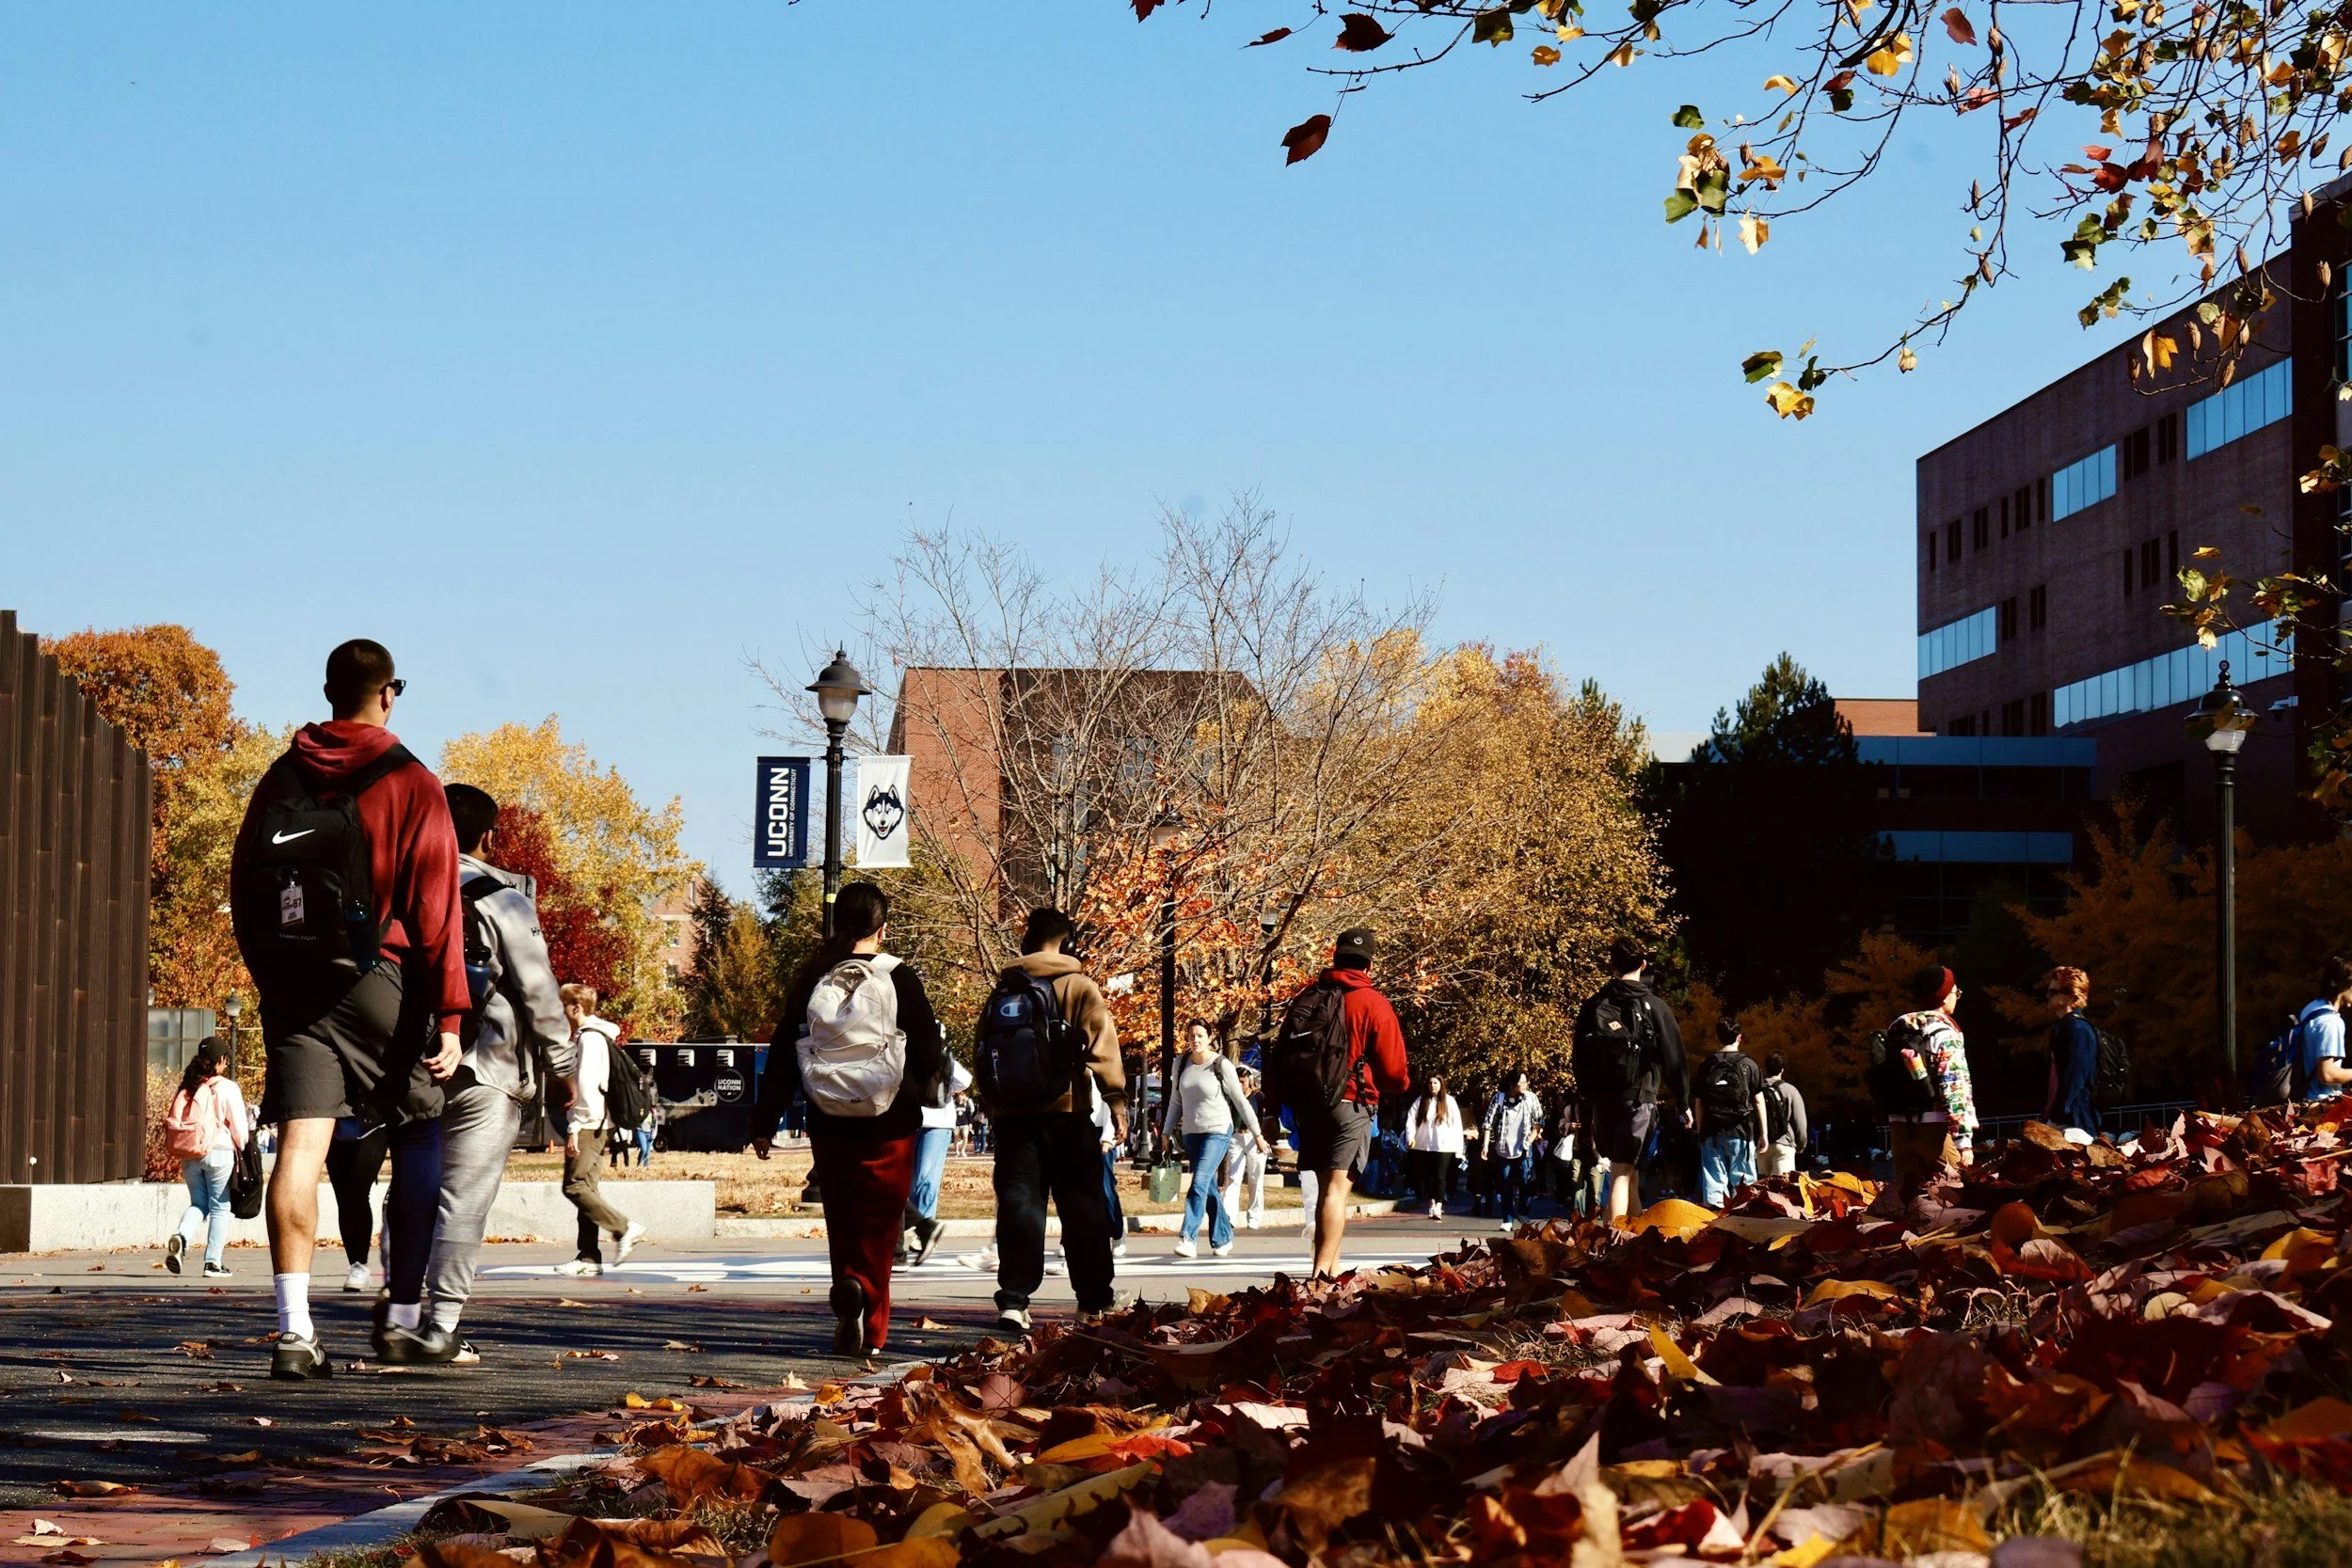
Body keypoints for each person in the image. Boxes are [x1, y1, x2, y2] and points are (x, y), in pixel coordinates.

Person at [230, 639, 468, 1381]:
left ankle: (294, 1331)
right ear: (388, 693)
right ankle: (402, 1316)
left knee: (301, 1145)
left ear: (328, 690)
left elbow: (244, 885)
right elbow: (438, 908)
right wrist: (452, 1016)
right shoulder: (413, 781)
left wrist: (272, 975)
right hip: (380, 976)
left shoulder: (282, 776)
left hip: (297, 983)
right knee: (421, 1126)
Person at [380, 784, 579, 1365]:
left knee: (410, 1193)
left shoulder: (396, 891)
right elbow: (539, 994)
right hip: (488, 1065)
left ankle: (401, 1314)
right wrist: (561, 1069)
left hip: (412, 1064)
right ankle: (441, 1323)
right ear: (487, 837)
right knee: (463, 1199)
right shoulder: (501, 899)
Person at [751, 881, 947, 1356]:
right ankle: (871, 1321)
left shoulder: (815, 976)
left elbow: (782, 1052)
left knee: (842, 1218)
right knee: (880, 1226)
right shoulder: (900, 977)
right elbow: (925, 1052)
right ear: (882, 929)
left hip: (828, 1116)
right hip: (889, 1118)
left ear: (838, 924)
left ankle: (846, 1293)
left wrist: (764, 1121)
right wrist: (929, 1086)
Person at [975, 908, 1127, 1333]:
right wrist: (1117, 1102)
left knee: (1019, 1204)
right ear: (1069, 943)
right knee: (1082, 1206)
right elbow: (1103, 1047)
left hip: (1013, 1119)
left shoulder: (1002, 991)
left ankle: (1013, 1299)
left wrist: (994, 1105)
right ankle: (1093, 1301)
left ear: (1027, 942)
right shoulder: (1078, 986)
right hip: (1067, 1113)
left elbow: (982, 1054)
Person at [1279, 928, 1410, 1279]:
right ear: (1369, 963)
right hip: (1351, 1101)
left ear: (1335, 957)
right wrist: (1397, 1088)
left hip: (1310, 1104)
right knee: (1337, 1192)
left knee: (1325, 1192)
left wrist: (1272, 1107)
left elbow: (1279, 1053)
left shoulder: (1308, 996)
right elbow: (1394, 1072)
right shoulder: (1373, 1003)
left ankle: (1332, 1273)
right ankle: (1320, 1278)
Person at [1571, 936, 1688, 1226]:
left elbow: (1579, 1056)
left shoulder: (1594, 1005)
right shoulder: (1655, 1007)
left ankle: (1634, 1234)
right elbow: (1674, 1058)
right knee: (1622, 1173)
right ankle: (1615, 1242)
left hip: (1603, 1100)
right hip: (1639, 1097)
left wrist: (1587, 1094)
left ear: (1611, 965)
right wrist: (1683, 1099)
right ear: (1643, 965)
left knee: (1629, 1172)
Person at [554, 985, 645, 1275]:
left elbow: (590, 1088)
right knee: (588, 1189)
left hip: (590, 1123)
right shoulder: (598, 1036)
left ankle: (624, 1228)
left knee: (574, 1186)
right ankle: (589, 1257)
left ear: (575, 1008)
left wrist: (575, 1125)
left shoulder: (590, 1040)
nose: (560, 1011)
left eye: (563, 1005)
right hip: (601, 1123)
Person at [1161, 1021, 1262, 1259]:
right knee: (1207, 1189)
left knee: (1200, 1181)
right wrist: (1165, 1132)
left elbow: (1239, 1100)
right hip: (1191, 1133)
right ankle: (1223, 1237)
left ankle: (1188, 1238)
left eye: (1200, 1035)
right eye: (1191, 1035)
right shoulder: (1181, 1063)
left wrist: (1257, 1133)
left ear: (1209, 1038)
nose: (1195, 1040)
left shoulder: (1221, 1064)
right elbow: (1176, 1102)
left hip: (1218, 1130)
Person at [1881, 966, 1978, 1200]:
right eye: (1956, 992)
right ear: (1944, 996)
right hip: (1935, 1130)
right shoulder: (1944, 1033)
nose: (1957, 996)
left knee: (1907, 1202)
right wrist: (1963, 1140)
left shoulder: (1897, 1032)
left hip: (1899, 1128)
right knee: (1960, 1200)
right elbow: (1954, 1086)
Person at [161, 1039, 247, 1278]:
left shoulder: (188, 1087)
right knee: (220, 1207)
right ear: (220, 1061)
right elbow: (240, 1128)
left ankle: (181, 1236)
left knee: (198, 1204)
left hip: (189, 1152)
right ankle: (212, 1263)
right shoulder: (227, 1087)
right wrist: (242, 1145)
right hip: (219, 1152)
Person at [899, 1054, 974, 1269]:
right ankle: (921, 1227)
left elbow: (964, 1079)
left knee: (926, 1176)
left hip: (938, 1123)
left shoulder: (941, 1059)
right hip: (911, 1120)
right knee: (908, 1179)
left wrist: (945, 1087)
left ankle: (924, 1229)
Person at [1692, 1020, 1767, 1208]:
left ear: (1718, 1037)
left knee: (1714, 1182)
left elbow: (1699, 1103)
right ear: (1739, 1038)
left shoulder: (1707, 1064)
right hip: (1741, 1130)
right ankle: (1748, 1223)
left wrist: (1700, 1131)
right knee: (1745, 1183)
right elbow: (1758, 1101)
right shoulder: (1749, 1064)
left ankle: (1715, 1226)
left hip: (1712, 1131)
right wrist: (1764, 1133)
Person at [325, 1124, 389, 1291]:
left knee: (357, 1191)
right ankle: (357, 1264)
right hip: (333, 1123)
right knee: (344, 1198)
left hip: (375, 1122)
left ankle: (364, 1265)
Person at [1480, 1070, 1546, 1232]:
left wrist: (1528, 1141)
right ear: (1512, 1084)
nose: (1525, 1085)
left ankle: (1523, 1212)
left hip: (1523, 1149)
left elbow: (1538, 1123)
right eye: (1521, 1083)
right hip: (1503, 1149)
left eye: (1526, 1082)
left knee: (1525, 1183)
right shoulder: (1499, 1098)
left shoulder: (1531, 1098)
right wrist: (1486, 1146)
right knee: (1505, 1184)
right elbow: (1488, 1123)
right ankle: (1507, 1219)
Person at [2040, 966, 2100, 1138]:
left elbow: (2076, 1078)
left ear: (2072, 997)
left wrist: (2056, 1117)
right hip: (2065, 1120)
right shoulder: (2064, 1027)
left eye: (2053, 992)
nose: (2047, 996)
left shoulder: (2079, 1030)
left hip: (2075, 1123)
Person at [1218, 1066, 1269, 1229]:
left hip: (1255, 1138)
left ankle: (1254, 1217)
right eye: (1237, 1081)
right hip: (1236, 1137)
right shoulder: (1232, 1097)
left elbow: (1264, 1117)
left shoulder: (1258, 1097)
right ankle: (1229, 1215)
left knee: (1256, 1179)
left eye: (1243, 1081)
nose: (1240, 1085)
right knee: (1234, 1177)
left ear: (1250, 1080)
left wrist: (1263, 1137)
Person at [2296, 956, 2352, 1102]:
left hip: (2304, 1099)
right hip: (2321, 1105)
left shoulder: (2311, 1009)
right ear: (2345, 985)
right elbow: (2327, 1074)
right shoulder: (2331, 1022)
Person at [1756, 1053, 1808, 1178]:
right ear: (1782, 1070)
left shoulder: (1757, 1090)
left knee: (1762, 1188)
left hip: (1761, 1144)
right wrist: (1800, 1146)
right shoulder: (1790, 1090)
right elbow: (1800, 1121)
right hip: (1784, 1143)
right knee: (1783, 1187)